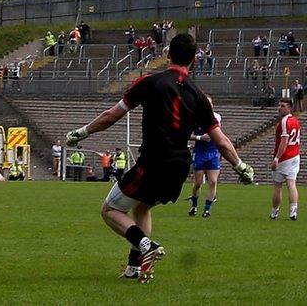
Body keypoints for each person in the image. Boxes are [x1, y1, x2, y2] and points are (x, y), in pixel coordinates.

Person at [65, 33, 253, 282]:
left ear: (168, 55)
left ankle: (145, 244)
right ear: (193, 61)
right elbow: (221, 140)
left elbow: (111, 116)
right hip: (179, 168)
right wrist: (240, 166)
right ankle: (135, 268)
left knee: (109, 210)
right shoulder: (199, 95)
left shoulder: (150, 82)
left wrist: (82, 132)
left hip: (153, 162)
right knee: (142, 207)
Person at [187, 106, 222, 218]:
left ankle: (207, 210)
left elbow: (219, 135)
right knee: (198, 183)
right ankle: (194, 205)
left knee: (213, 181)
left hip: (213, 152)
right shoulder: (194, 118)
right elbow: (186, 135)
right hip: (200, 153)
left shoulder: (216, 117)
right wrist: (199, 137)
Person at [271, 99, 301, 221]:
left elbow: (284, 142)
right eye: (279, 105)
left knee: (278, 186)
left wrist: (276, 158)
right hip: (295, 156)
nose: (279, 108)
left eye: (282, 106)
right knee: (291, 184)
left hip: (285, 157)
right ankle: (293, 211)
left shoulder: (285, 121)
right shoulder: (296, 121)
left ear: (289, 108)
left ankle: (274, 212)